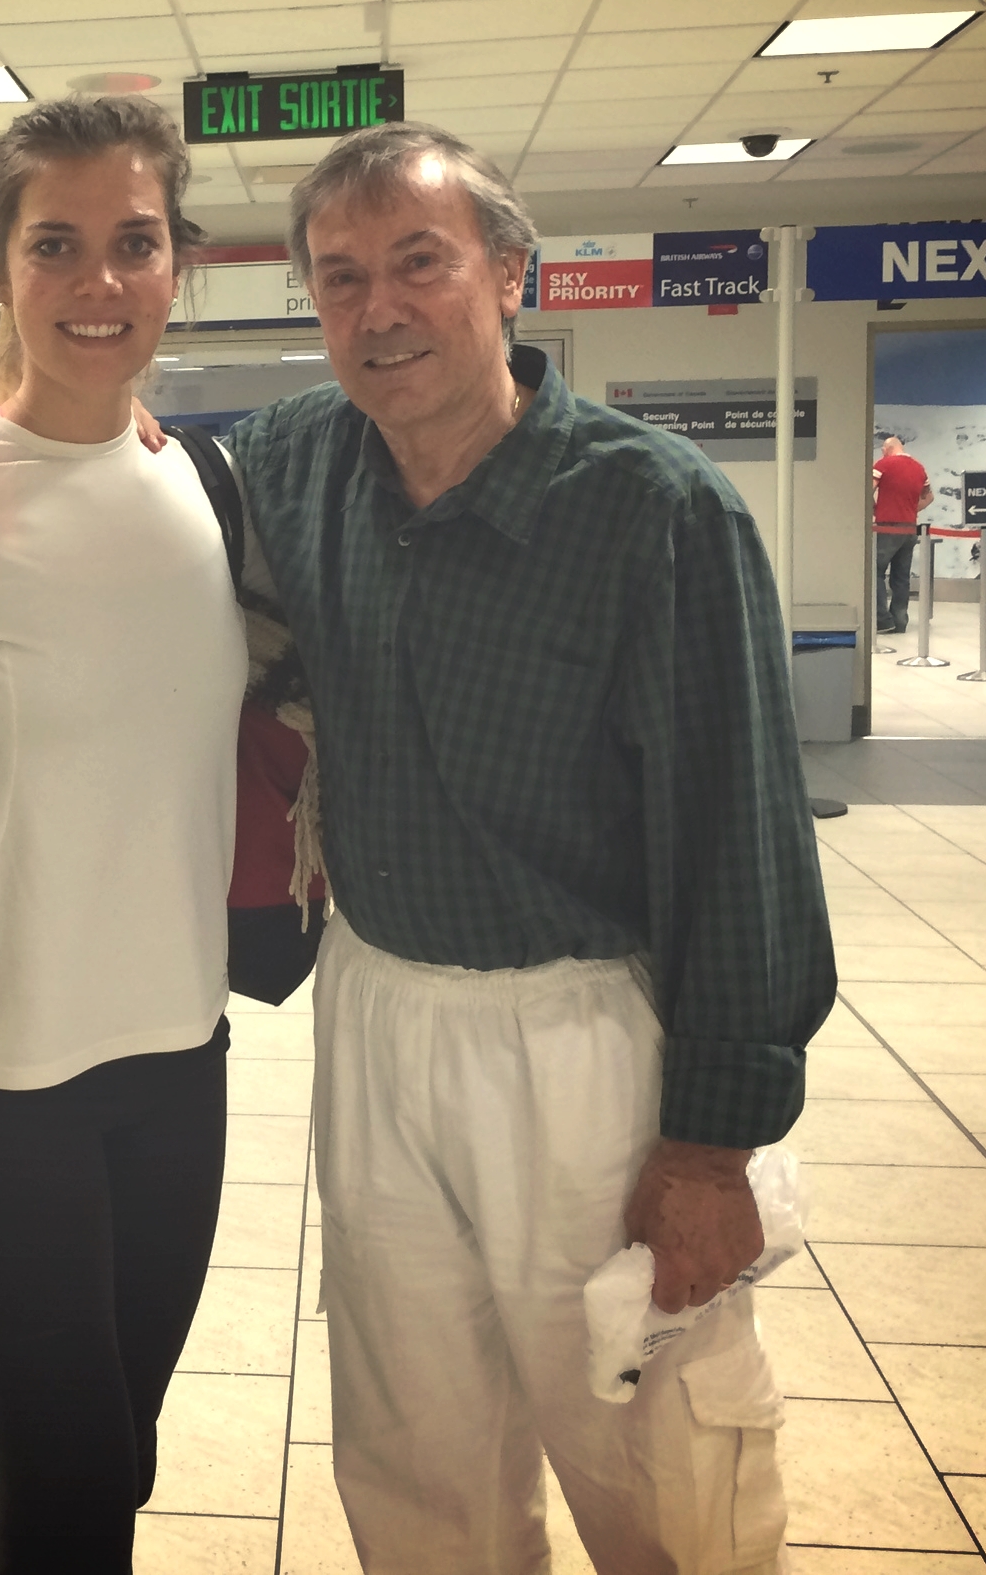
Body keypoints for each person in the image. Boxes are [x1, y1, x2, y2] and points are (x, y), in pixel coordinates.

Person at [228, 123, 835, 1573]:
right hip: (379, 1015)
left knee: (656, 1449)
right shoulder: (299, 464)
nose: (379, 310)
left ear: (510, 273)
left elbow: (740, 839)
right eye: (339, 278)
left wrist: (711, 1144)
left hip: (586, 1041)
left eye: (419, 262)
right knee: (411, 1445)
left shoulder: (654, 510)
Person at [0, 97, 245, 1573]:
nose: (101, 281)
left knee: (116, 1462)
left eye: (135, 242)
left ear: (177, 264)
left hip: (178, 1057)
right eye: (56, 244)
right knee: (62, 1486)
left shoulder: (192, 481)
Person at [871, 434, 932, 633]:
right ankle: (899, 621)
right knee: (901, 576)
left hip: (887, 526)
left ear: (887, 449)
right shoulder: (919, 467)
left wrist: (875, 509)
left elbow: (865, 489)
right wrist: (910, 510)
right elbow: (929, 497)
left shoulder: (884, 465)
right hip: (909, 528)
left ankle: (882, 620)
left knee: (875, 571)